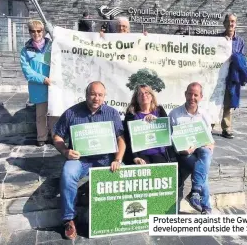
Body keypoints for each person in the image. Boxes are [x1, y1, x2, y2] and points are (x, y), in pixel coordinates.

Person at [53, 81, 126, 240]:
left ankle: (116, 215)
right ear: (86, 95)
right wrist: (65, 151)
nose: (96, 98)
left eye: (100, 95)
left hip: (105, 158)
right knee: (67, 174)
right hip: (80, 159)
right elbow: (57, 136)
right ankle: (69, 219)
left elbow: (121, 139)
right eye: (93, 94)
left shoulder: (112, 113)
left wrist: (118, 159)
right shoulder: (72, 113)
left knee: (124, 172)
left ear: (104, 97)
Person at [169, 82, 214, 214]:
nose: (192, 97)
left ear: (201, 97)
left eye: (196, 95)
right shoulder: (175, 114)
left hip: (200, 149)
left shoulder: (204, 115)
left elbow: (210, 140)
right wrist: (181, 150)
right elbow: (170, 140)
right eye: (190, 94)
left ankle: (195, 192)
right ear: (185, 94)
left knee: (206, 153)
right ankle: (204, 205)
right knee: (200, 167)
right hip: (184, 153)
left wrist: (210, 146)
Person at [20, 19, 57, 147]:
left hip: (53, 85)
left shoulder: (52, 46)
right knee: (41, 114)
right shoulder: (25, 51)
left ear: (43, 31)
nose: (36, 33)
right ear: (29, 32)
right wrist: (43, 79)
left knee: (54, 113)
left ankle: (55, 136)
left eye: (39, 30)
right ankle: (41, 137)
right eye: (33, 31)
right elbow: (27, 71)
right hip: (39, 87)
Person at [123, 85, 172, 164]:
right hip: (140, 154)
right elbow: (127, 138)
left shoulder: (159, 110)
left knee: (161, 170)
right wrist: (135, 157)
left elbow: (169, 132)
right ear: (136, 98)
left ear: (152, 96)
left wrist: (157, 121)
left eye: (147, 93)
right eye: (140, 94)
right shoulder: (131, 114)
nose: (144, 95)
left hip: (159, 152)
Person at [220, 13, 246, 139]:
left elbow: (241, 58)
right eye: (229, 21)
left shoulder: (240, 41)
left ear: (236, 24)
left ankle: (226, 128)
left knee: (229, 103)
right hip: (218, 74)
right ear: (224, 23)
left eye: (233, 21)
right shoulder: (217, 38)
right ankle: (209, 125)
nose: (231, 24)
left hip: (232, 76)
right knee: (213, 101)